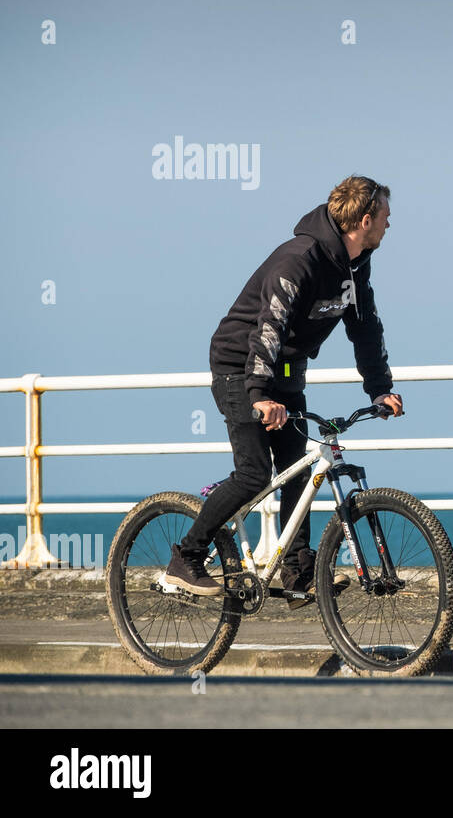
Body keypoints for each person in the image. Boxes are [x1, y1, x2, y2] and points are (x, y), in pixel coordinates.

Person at [165, 176, 404, 601]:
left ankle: (298, 572)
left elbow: (365, 328)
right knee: (254, 474)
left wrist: (379, 389)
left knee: (298, 468)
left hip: (287, 371)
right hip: (240, 368)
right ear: (365, 220)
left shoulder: (355, 263)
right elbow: (268, 330)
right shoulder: (298, 261)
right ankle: (186, 557)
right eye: (386, 215)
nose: (391, 223)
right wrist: (259, 395)